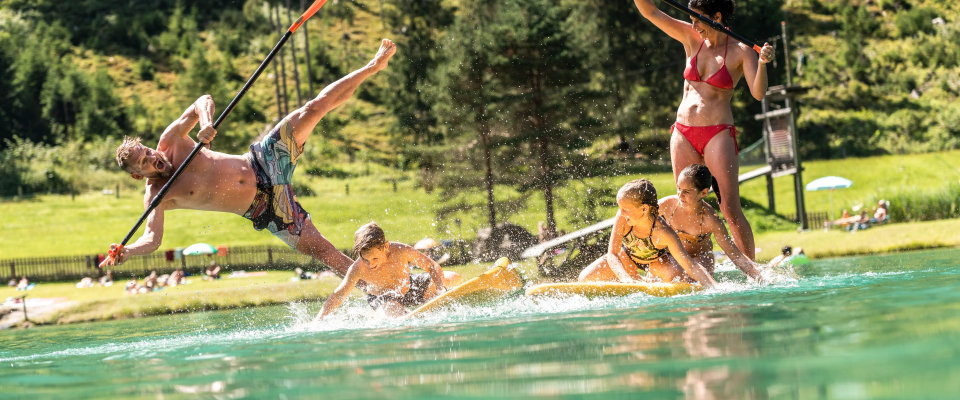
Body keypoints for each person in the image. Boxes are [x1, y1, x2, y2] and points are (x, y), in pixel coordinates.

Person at [100, 39, 399, 281]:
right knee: (324, 252)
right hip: (265, 208)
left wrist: (206, 122)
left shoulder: (171, 141)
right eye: (145, 163)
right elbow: (152, 239)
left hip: (264, 161)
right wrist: (129, 251)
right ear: (138, 175)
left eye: (148, 152)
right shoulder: (156, 197)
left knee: (313, 108)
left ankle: (373, 66)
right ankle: (380, 288)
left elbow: (202, 101)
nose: (154, 158)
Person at [631, 0, 776, 260]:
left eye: (697, 18)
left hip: (717, 133)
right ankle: (696, 269)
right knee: (686, 205)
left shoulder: (742, 51)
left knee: (729, 209)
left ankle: (753, 272)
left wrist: (763, 63)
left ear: (717, 17)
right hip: (683, 133)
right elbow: (650, 10)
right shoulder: (690, 36)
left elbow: (758, 92)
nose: (694, 24)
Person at [578, 179, 718, 288]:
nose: (621, 212)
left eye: (625, 209)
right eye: (620, 208)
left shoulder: (663, 232)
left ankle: (650, 279)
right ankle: (633, 279)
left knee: (676, 276)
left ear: (644, 208)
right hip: (629, 258)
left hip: (657, 263)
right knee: (585, 279)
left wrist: (714, 287)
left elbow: (690, 265)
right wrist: (624, 277)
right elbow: (612, 254)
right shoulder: (623, 217)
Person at [314, 222, 463, 320]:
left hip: (411, 287)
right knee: (400, 317)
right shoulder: (358, 268)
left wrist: (440, 290)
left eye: (374, 259)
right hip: (384, 299)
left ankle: (431, 297)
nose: (370, 264)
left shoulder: (401, 250)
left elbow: (431, 266)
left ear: (385, 247)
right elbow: (338, 295)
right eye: (365, 259)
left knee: (454, 278)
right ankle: (379, 314)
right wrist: (319, 320)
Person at [658, 164, 763, 281]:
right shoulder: (668, 205)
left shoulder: (710, 219)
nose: (680, 194)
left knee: (690, 278)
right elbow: (641, 217)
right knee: (663, 273)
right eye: (679, 188)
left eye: (686, 191)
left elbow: (733, 253)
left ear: (703, 193)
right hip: (676, 256)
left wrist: (759, 276)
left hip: (700, 258)